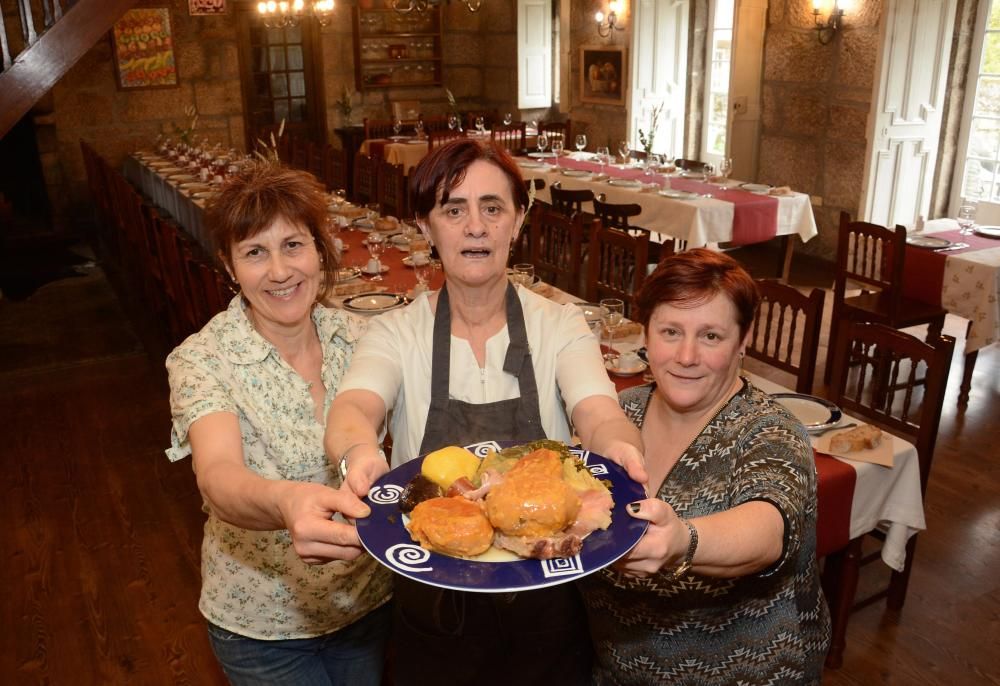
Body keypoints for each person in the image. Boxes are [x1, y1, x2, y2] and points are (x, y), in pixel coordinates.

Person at [324, 138, 646, 685]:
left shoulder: (560, 325)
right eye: (454, 209)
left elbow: (597, 411)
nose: (476, 226)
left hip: (548, 596)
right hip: (433, 603)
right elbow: (355, 406)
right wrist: (357, 452)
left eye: (492, 208)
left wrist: (618, 446)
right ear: (425, 227)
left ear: (517, 221)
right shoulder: (395, 331)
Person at [165, 162, 392, 685]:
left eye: (293, 245)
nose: (280, 271)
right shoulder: (202, 359)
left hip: (369, 600)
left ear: (320, 249)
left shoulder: (363, 339)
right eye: (254, 253)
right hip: (263, 625)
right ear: (228, 265)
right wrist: (286, 502)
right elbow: (218, 476)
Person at [579, 249, 830, 685]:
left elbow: (768, 529)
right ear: (646, 333)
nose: (687, 355)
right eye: (670, 331)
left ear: (743, 340)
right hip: (616, 669)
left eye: (711, 336)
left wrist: (683, 540)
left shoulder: (770, 431)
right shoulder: (622, 414)